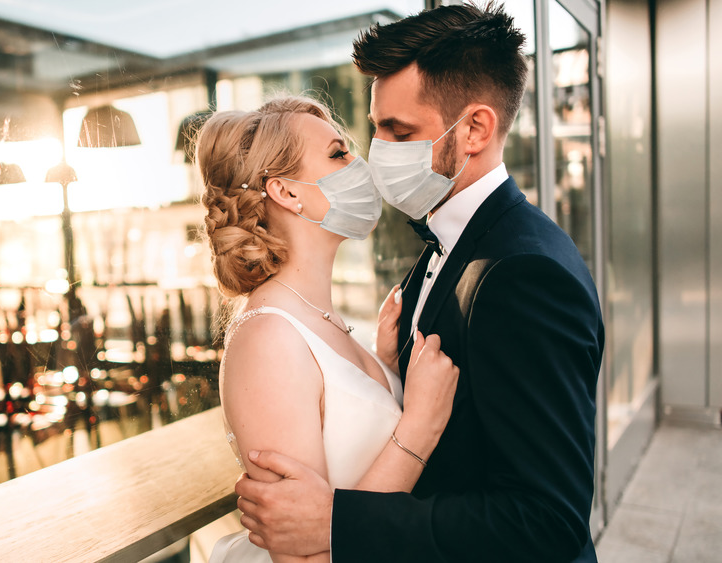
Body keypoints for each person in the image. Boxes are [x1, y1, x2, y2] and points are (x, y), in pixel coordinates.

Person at [234, 4, 605, 562]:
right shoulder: (444, 245)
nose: (376, 153)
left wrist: (338, 523)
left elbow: (548, 519)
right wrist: (387, 370)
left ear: (475, 129)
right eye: (375, 129)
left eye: (397, 132)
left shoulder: (525, 274)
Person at [197, 96, 461, 562]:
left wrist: (383, 370)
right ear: (287, 192)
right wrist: (421, 427)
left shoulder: (322, 320)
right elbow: (303, 554)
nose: (362, 166)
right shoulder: (266, 341)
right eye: (340, 154)